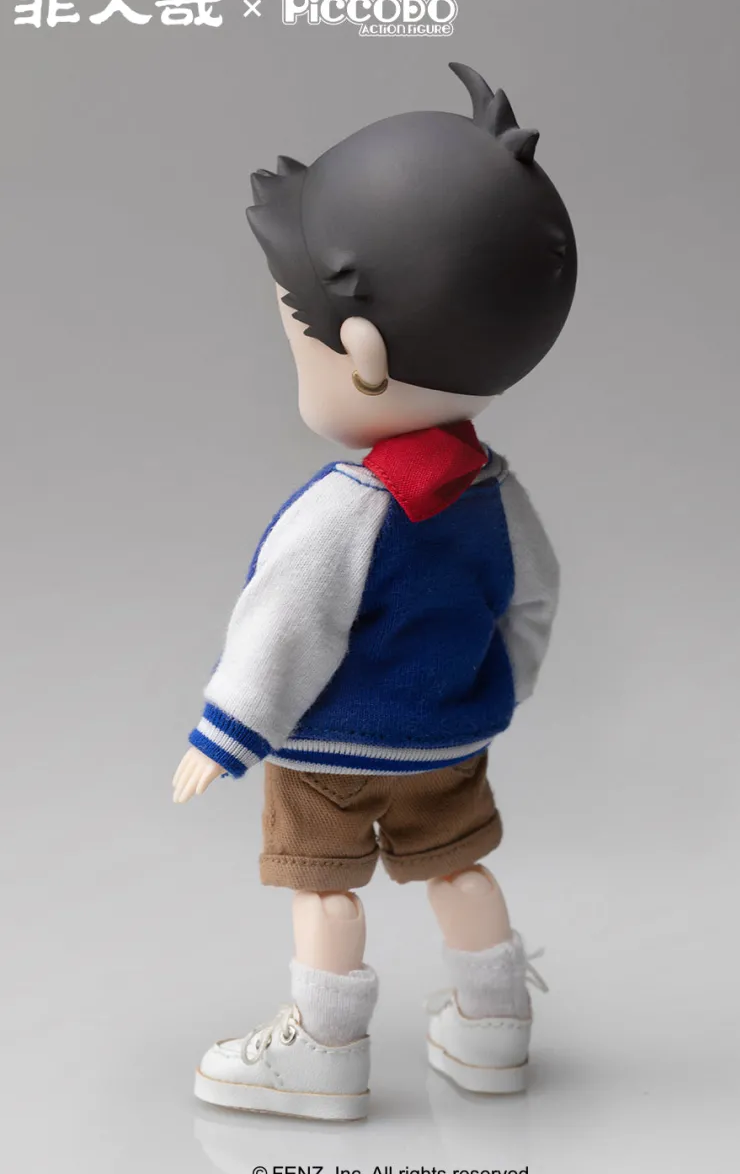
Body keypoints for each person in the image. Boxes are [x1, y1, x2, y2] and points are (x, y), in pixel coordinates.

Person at [172, 62, 578, 1121]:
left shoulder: (346, 509)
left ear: (358, 351)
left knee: (325, 887)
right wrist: (495, 690)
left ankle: (323, 1050)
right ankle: (493, 1028)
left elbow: (284, 627)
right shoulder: (496, 493)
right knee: (458, 871)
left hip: (330, 750)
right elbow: (532, 602)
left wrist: (225, 734)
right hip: (450, 742)